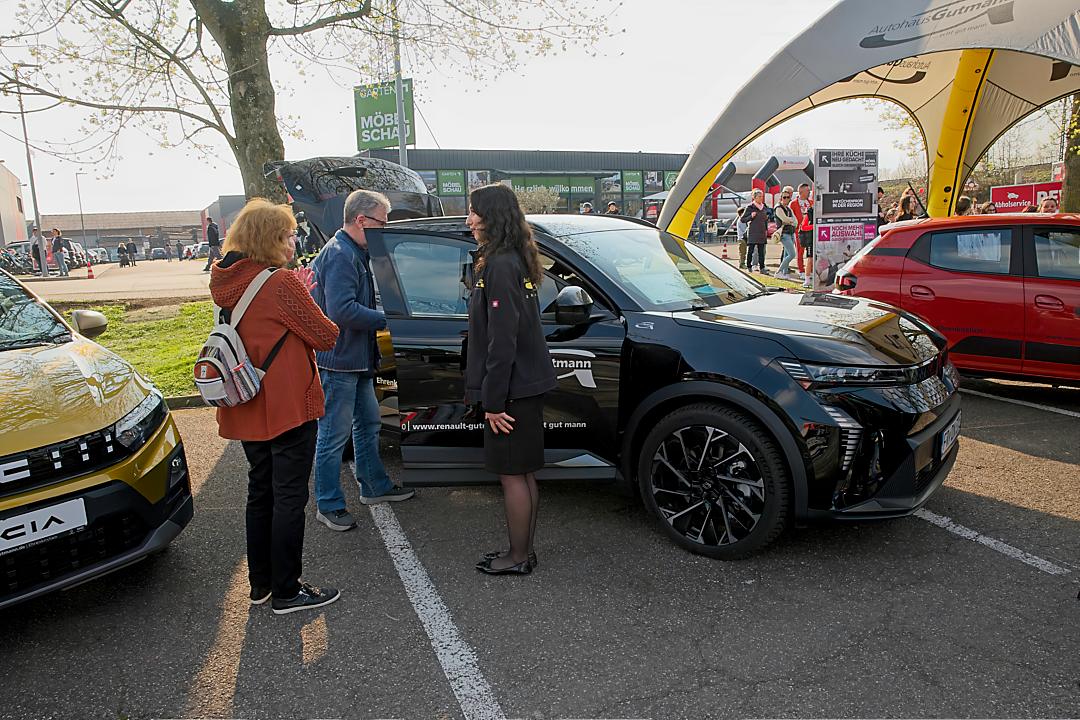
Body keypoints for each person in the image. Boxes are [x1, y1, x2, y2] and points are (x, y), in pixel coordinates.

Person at [209, 198, 342, 615]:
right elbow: (326, 335)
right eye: (287, 235)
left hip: (245, 400)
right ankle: (287, 590)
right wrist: (303, 293)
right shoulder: (280, 283)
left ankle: (261, 584)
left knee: (259, 492)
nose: (292, 242)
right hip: (286, 404)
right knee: (288, 497)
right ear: (270, 238)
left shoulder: (223, 279)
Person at [466, 183, 557, 575]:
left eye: (474, 212)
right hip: (526, 386)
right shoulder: (512, 259)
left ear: (492, 216)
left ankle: (517, 557)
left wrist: (494, 403)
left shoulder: (500, 265)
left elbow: (502, 341)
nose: (468, 219)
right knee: (522, 473)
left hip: (513, 390)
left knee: (512, 476)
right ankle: (523, 551)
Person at [310, 190, 414, 532]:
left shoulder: (350, 251)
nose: (383, 230)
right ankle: (328, 504)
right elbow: (341, 310)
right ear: (361, 220)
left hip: (353, 361)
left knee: (368, 424)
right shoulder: (341, 254)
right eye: (381, 222)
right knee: (332, 436)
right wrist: (388, 318)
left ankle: (374, 487)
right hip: (339, 361)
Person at [789, 183, 813, 285]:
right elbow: (791, 217)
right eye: (807, 191)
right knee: (800, 250)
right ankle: (801, 270)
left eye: (809, 190)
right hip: (799, 231)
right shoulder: (794, 203)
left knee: (810, 252)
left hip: (810, 230)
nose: (809, 192)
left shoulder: (811, 202)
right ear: (801, 191)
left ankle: (809, 270)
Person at [773, 186, 799, 279]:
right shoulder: (778, 208)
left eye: (788, 197)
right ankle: (778, 272)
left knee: (786, 254)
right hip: (784, 234)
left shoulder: (788, 209)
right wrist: (790, 220)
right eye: (784, 197)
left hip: (791, 233)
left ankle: (784, 272)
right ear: (780, 198)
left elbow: (795, 221)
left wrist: (790, 220)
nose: (786, 199)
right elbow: (784, 219)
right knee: (792, 254)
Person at [743, 189, 769, 274]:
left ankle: (762, 267)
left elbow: (766, 219)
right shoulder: (750, 207)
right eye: (759, 196)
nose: (761, 198)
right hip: (753, 232)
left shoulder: (764, 207)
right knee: (751, 250)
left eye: (762, 196)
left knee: (761, 251)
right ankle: (749, 266)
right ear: (754, 197)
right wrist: (750, 216)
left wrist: (766, 230)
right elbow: (743, 219)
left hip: (762, 233)